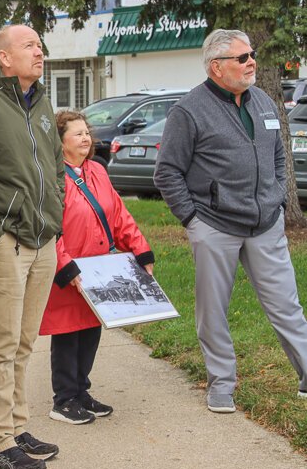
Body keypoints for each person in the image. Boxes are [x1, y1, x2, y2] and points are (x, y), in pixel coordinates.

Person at [154, 29, 307, 413]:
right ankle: (221, 383)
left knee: (287, 305)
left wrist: (277, 196)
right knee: (213, 310)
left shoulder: (264, 102)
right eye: (242, 58)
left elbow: (276, 156)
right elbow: (167, 172)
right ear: (217, 67)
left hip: (265, 224)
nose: (251, 61)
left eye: (251, 54)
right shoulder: (188, 111)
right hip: (214, 225)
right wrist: (193, 219)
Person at [0, 24, 63, 469]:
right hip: (6, 239)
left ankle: (16, 427)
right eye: (29, 46)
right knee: (1, 342)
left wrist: (55, 213)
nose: (39, 52)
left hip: (44, 238)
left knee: (24, 340)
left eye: (40, 45)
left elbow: (56, 164)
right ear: (4, 57)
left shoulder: (41, 100)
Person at [41, 111, 154, 425]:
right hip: (69, 273)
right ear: (60, 141)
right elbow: (51, 228)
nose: (85, 138)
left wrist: (141, 250)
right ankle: (63, 400)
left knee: (90, 331)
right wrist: (66, 268)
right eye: (77, 134)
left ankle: (81, 393)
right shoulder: (52, 176)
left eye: (86, 132)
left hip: (100, 269)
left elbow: (118, 214)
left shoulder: (97, 171)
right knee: (67, 334)